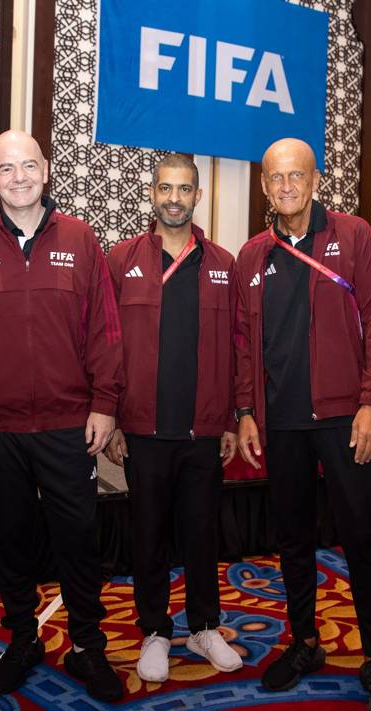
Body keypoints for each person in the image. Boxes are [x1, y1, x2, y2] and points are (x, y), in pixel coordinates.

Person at [0, 130, 125, 702]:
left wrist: (104, 404)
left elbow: (104, 330)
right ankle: (23, 639)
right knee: (9, 540)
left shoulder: (81, 239)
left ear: (46, 171)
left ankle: (88, 645)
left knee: (78, 541)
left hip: (70, 426)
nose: (18, 178)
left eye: (28, 166)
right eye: (5, 169)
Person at [235, 138, 371, 711]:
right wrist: (246, 411)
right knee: (293, 538)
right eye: (276, 178)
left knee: (360, 536)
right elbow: (242, 344)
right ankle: (305, 640)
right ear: (265, 186)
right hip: (281, 423)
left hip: (344, 418)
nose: (286, 187)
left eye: (296, 177)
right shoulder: (251, 257)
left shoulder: (353, 236)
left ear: (314, 180)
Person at [105, 154, 241, 683]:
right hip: (143, 428)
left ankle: (205, 626)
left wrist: (233, 417)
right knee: (149, 534)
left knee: (203, 532)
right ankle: (156, 630)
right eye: (165, 187)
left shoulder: (224, 264)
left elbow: (238, 347)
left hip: (204, 429)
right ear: (152, 192)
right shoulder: (120, 260)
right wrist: (112, 416)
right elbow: (107, 345)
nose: (174, 198)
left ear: (197, 195)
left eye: (184, 189)